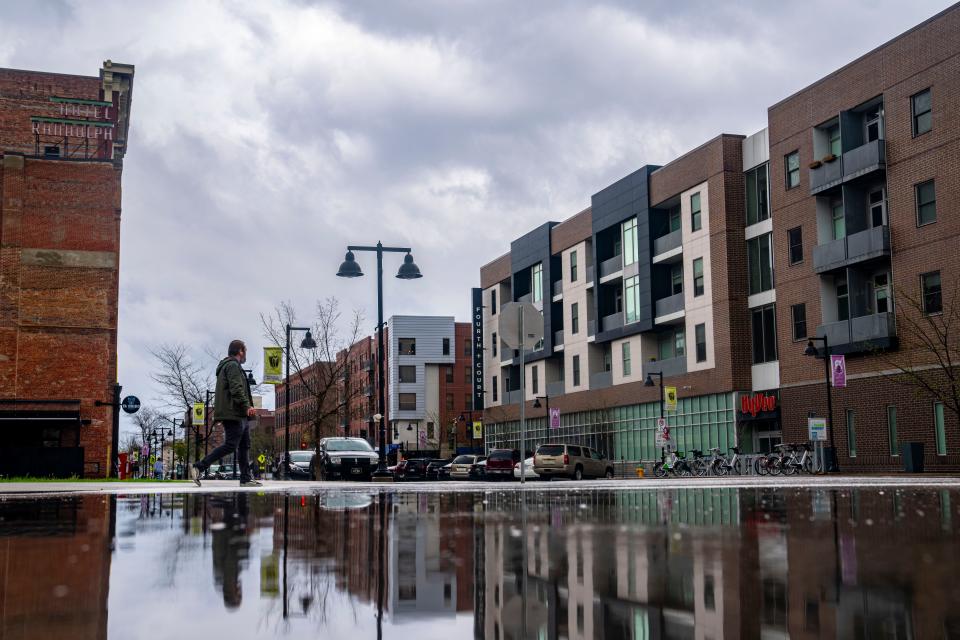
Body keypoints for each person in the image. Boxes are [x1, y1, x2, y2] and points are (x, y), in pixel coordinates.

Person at [191, 340, 261, 487]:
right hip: (234, 413)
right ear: (240, 351)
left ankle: (246, 478)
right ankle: (199, 466)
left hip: (239, 413)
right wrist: (246, 405)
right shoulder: (232, 365)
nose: (246, 354)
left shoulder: (229, 366)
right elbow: (236, 388)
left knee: (244, 445)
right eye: (245, 351)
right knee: (230, 445)